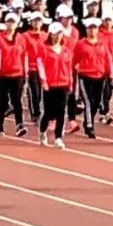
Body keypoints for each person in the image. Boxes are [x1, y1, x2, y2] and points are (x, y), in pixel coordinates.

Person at [72, 18, 111, 139]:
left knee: (96, 102)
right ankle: (89, 126)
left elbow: (107, 58)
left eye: (94, 28)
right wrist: (75, 71)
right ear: (86, 29)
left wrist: (109, 73)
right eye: (90, 28)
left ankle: (88, 121)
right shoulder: (81, 44)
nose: (92, 30)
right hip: (85, 76)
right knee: (88, 102)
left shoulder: (102, 43)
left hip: (100, 76)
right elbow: (74, 60)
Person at [38, 21, 74, 149]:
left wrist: (70, 83)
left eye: (59, 34)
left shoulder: (66, 51)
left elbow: (69, 68)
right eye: (55, 34)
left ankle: (58, 137)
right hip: (50, 84)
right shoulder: (45, 50)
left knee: (61, 112)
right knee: (48, 113)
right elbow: (41, 66)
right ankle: (42, 132)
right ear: (50, 35)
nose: (57, 36)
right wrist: (44, 81)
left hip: (63, 84)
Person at [0, 13, 29, 137]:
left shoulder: (21, 38)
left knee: (17, 101)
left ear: (17, 24)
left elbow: (24, 56)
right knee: (3, 101)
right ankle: (0, 126)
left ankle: (20, 124)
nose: (10, 24)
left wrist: (26, 72)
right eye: (8, 21)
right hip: (3, 74)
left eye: (13, 22)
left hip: (17, 74)